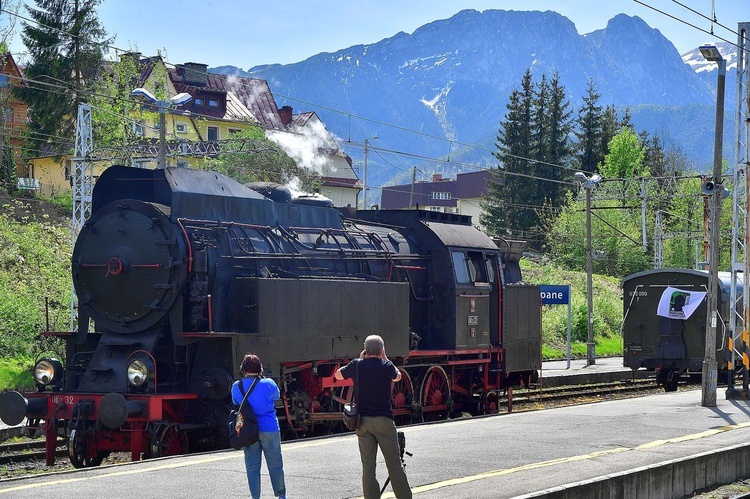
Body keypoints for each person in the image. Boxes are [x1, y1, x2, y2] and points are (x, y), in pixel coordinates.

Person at [335, 335, 412, 499]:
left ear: (365, 350)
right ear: (382, 351)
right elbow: (398, 376)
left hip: (362, 423)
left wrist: (357, 361)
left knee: (368, 468)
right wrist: (385, 358)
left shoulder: (357, 365)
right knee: (394, 466)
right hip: (384, 421)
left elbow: (337, 375)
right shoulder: (387, 366)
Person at [231, 353, 286, 499]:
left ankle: (255, 497)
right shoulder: (269, 383)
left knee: (252, 467)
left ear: (243, 369)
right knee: (275, 465)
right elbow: (276, 396)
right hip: (269, 428)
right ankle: (281, 496)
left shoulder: (237, 386)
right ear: (260, 368)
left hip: (249, 430)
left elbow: (236, 403)